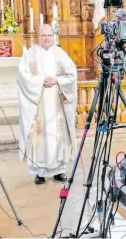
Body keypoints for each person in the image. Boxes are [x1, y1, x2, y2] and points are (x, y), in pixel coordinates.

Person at [18, 24, 78, 184]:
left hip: (57, 101)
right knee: (41, 136)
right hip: (39, 102)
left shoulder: (60, 54)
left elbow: (72, 74)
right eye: (43, 35)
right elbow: (23, 76)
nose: (46, 38)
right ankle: (40, 172)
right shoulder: (30, 54)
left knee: (58, 135)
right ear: (38, 36)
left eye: (49, 35)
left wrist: (58, 80)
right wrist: (39, 81)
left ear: (54, 36)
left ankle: (60, 170)